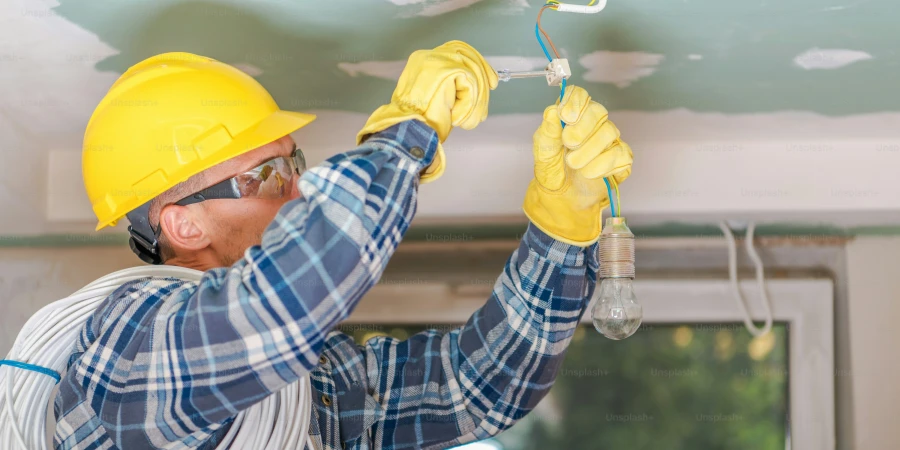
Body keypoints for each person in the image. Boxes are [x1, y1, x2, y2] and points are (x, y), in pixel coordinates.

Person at [55, 41, 632, 449]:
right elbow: (294, 294)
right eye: (270, 174)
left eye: (294, 163)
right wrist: (405, 137)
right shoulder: (124, 351)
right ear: (184, 227)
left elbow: (474, 388)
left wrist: (561, 226)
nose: (300, 186)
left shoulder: (308, 391)